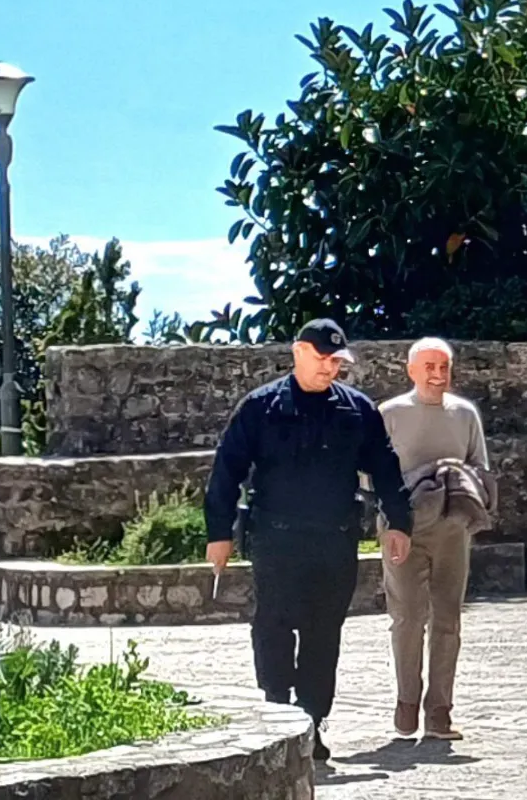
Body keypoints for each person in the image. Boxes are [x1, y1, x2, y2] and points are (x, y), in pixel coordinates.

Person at [203, 318, 413, 762]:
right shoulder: (260, 407)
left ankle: (312, 721)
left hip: (335, 541)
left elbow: (385, 464)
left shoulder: (356, 409)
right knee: (274, 626)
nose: (329, 368)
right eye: (322, 358)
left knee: (324, 633)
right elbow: (227, 470)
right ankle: (278, 712)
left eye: (336, 361)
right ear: (298, 352)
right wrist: (219, 533)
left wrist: (399, 520)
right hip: (276, 541)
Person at [377, 337, 493, 741]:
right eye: (429, 366)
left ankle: (439, 711)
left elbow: (480, 466)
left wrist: (455, 482)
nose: (438, 374)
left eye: (444, 367)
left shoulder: (464, 413)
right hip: (402, 528)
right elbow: (370, 473)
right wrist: (411, 491)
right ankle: (406, 702)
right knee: (407, 617)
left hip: (452, 528)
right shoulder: (390, 414)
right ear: (411, 370)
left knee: (448, 618)